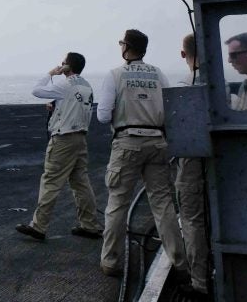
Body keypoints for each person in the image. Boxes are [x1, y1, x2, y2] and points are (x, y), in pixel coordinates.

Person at [97, 29, 188, 278]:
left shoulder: (115, 75)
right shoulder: (159, 74)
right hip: (157, 143)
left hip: (127, 143)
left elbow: (103, 115)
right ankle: (180, 262)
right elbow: (170, 109)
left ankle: (111, 261)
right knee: (162, 203)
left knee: (117, 204)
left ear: (126, 47)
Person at [16, 52, 103, 241]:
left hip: (63, 139)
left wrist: (51, 73)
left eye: (63, 63)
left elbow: (37, 90)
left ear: (67, 66)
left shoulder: (63, 84)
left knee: (51, 181)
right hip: (80, 138)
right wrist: (57, 107)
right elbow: (75, 105)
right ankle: (90, 225)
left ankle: (39, 226)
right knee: (81, 183)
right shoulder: (87, 85)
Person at [175, 34, 210, 299]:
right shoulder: (218, 80)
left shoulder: (186, 84)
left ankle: (199, 282)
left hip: (192, 160)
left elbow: (178, 129)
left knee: (192, 219)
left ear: (183, 54)